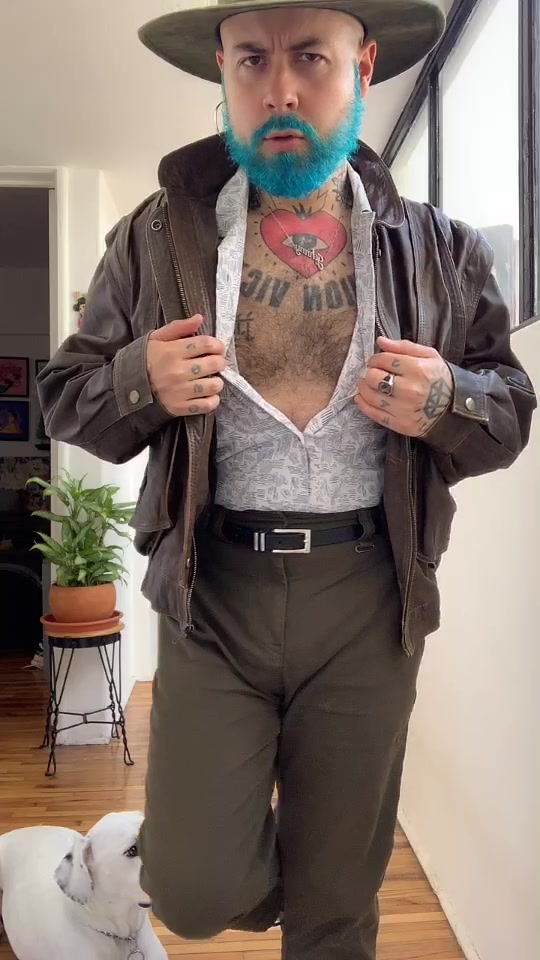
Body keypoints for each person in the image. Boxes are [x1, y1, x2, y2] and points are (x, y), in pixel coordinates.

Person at [37, 1, 537, 958]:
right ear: (221, 70)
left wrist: (448, 400)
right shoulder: (155, 237)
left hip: (369, 595)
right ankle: (290, 863)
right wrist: (141, 378)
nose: (279, 90)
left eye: (310, 56)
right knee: (193, 888)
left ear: (364, 65)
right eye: (251, 60)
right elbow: (65, 397)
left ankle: (325, 882)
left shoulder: (441, 247)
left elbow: (510, 408)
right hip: (211, 590)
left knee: (337, 909)